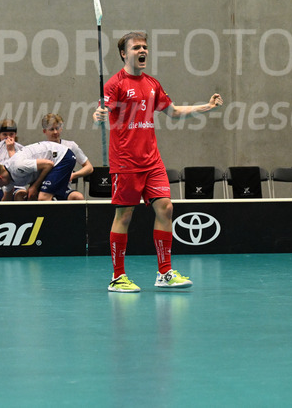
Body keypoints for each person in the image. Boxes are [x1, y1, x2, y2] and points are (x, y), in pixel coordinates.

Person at [93, 31, 223, 293]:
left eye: (145, 47)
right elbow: (103, 111)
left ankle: (164, 272)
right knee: (125, 215)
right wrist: (98, 115)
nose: (143, 51)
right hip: (126, 162)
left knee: (165, 209)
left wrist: (205, 107)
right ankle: (118, 277)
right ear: (123, 53)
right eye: (136, 48)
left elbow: (173, 112)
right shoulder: (115, 84)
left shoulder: (152, 84)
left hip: (152, 161)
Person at [0, 140, 78, 202]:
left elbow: (48, 164)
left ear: (0, 178)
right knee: (32, 197)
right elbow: (6, 200)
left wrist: (34, 186)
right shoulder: (7, 178)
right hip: (51, 161)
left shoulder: (18, 166)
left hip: (63, 157)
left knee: (43, 198)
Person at [40, 113, 90, 199]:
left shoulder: (71, 146)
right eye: (51, 129)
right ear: (44, 131)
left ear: (61, 128)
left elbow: (89, 167)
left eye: (57, 128)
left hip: (64, 189)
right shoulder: (40, 148)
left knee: (78, 197)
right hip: (44, 187)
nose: (55, 132)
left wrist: (74, 175)